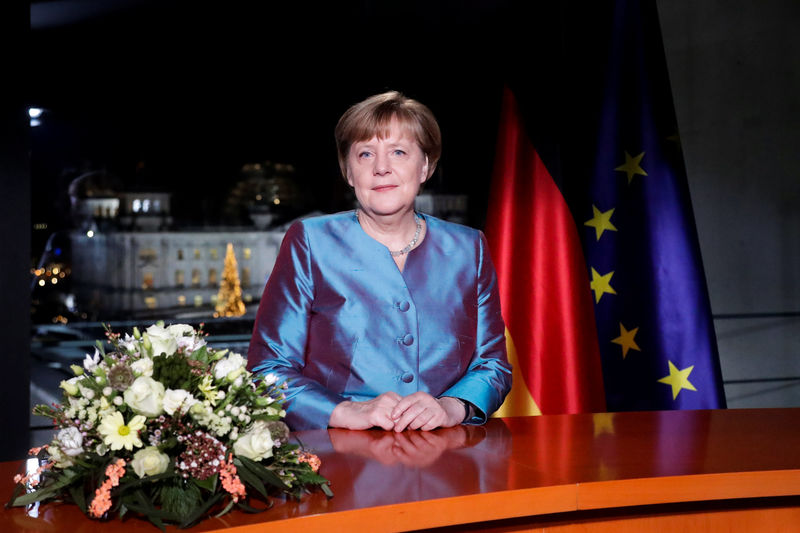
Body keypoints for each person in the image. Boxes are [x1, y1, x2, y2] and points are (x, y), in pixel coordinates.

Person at [247, 90, 511, 432]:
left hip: (446, 459)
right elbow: (268, 369)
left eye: (399, 152)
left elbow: (493, 365)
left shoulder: (468, 247)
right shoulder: (310, 241)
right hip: (340, 462)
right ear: (349, 172)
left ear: (425, 166)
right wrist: (343, 412)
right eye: (365, 154)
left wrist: (453, 406)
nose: (381, 168)